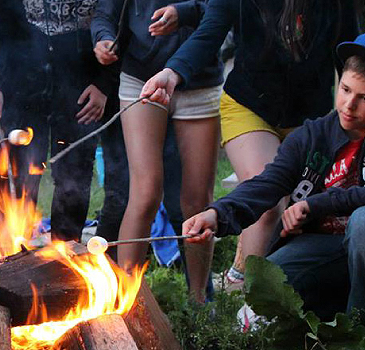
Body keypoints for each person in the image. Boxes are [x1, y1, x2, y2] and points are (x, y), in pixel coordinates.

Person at [140, 0, 359, 289]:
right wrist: (173, 72)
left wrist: (348, 115)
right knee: (269, 203)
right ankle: (249, 304)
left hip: (310, 116)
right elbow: (211, 29)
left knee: (298, 210)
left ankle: (260, 279)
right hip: (249, 105)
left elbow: (350, 58)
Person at [184, 35, 365, 320]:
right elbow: (269, 183)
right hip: (323, 247)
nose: (348, 105)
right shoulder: (313, 136)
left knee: (362, 224)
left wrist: (315, 204)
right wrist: (217, 214)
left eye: (363, 97)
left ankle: (357, 326)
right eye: (345, 89)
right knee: (268, 287)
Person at [92, 0, 222, 302]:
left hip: (199, 82)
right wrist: (101, 38)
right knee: (145, 192)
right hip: (140, 77)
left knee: (196, 201)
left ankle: (199, 303)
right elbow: (105, 12)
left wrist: (185, 11)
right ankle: (124, 302)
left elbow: (222, 11)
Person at [0, 0, 117, 243]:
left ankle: (64, 262)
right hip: (21, 76)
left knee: (74, 176)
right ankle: (9, 259)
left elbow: (118, 16)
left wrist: (105, 83)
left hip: (83, 79)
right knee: (18, 173)